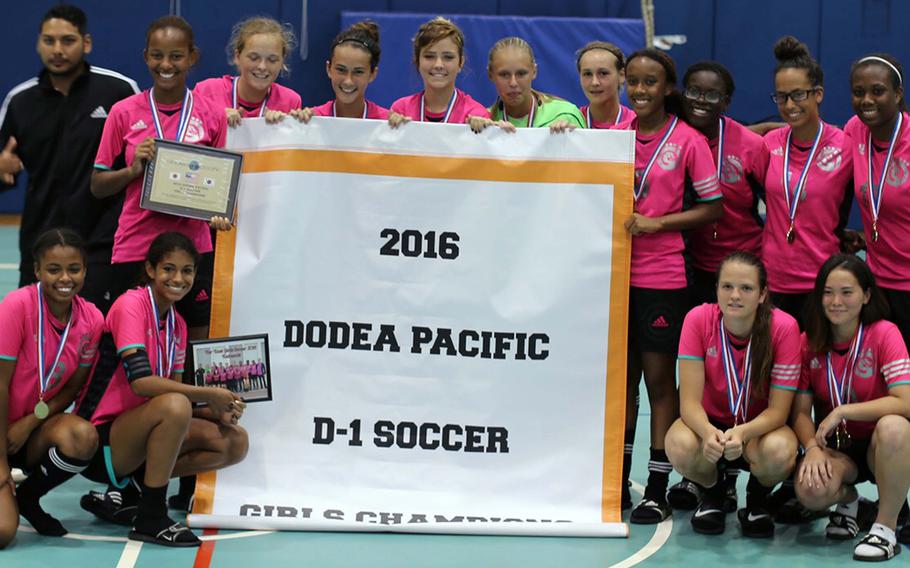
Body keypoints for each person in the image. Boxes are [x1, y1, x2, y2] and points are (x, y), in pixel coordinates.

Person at [75, 232, 248, 547]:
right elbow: (141, 383)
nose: (178, 278)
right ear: (151, 269)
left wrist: (216, 411)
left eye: (187, 271)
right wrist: (210, 393)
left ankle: (140, 487)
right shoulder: (131, 305)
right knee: (175, 405)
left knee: (234, 442)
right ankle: (151, 515)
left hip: (141, 434)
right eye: (169, 269)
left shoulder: (177, 325)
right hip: (101, 442)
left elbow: (176, 391)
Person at [621, 48, 723, 524]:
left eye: (650, 82)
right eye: (633, 81)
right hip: (613, 275)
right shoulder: (613, 132)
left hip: (663, 278)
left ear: (667, 88)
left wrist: (658, 225)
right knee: (620, 384)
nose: (640, 90)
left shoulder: (686, 140)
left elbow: (712, 207)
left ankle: (657, 488)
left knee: (660, 384)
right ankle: (616, 481)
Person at [0, 4, 138, 310]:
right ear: (38, 43)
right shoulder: (20, 101)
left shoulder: (118, 91)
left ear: (85, 43)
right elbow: (3, 171)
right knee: (37, 335)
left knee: (100, 336)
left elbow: (145, 162)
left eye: (67, 40)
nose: (57, 50)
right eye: (49, 41)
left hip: (104, 242)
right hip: (41, 240)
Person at [666, 252, 799, 537]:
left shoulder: (784, 328)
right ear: (716, 289)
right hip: (710, 422)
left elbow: (778, 411)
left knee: (780, 451)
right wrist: (706, 432)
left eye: (746, 288)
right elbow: (688, 403)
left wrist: (743, 433)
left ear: (762, 294)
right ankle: (713, 494)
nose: (735, 296)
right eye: (726, 286)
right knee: (678, 443)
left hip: (759, 428)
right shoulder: (698, 319)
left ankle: (757, 500)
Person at [794, 254, 910, 562]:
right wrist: (812, 448)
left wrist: (843, 411)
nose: (836, 301)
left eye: (847, 292)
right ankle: (853, 503)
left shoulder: (884, 333)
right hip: (838, 448)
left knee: (895, 426)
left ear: (866, 295)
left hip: (881, 447)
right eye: (828, 292)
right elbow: (800, 412)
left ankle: (885, 529)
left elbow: (905, 400)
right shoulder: (809, 342)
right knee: (809, 491)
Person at [0, 229, 104, 544]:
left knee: (82, 437)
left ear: (85, 270)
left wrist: (30, 422)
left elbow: (70, 391)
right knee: (3, 533)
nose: (65, 278)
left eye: (74, 269)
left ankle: (28, 498)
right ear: (37, 271)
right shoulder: (17, 305)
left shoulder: (92, 320)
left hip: (30, 431)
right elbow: (0, 384)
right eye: (54, 269)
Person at [845, 53, 910, 541]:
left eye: (878, 92)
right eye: (859, 91)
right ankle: (895, 503)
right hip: (881, 288)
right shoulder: (853, 131)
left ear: (898, 95)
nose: (867, 100)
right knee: (892, 402)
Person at [762, 37, 853, 327]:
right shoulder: (768, 144)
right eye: (781, 96)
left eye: (798, 95)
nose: (789, 105)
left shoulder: (847, 146)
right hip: (773, 281)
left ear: (819, 94)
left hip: (824, 282)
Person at [680, 62, 767, 306]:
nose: (701, 101)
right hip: (690, 264)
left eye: (712, 95)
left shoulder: (750, 145)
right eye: (693, 91)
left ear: (726, 102)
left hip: (744, 262)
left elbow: (776, 204)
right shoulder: (673, 138)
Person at [193, 16, 302, 126]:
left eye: (272, 60)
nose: (262, 66)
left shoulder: (290, 101)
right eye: (254, 58)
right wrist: (214, 118)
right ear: (237, 57)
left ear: (282, 62)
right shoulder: (206, 92)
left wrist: (279, 131)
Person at [390, 17, 492, 132]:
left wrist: (484, 131)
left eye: (448, 57)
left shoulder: (476, 114)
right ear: (417, 61)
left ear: (460, 63)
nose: (438, 65)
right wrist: (392, 129)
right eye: (429, 56)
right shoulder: (401, 110)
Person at [487, 36, 585, 132]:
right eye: (504, 75)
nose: (513, 83)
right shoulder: (486, 122)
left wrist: (572, 137)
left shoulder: (566, 115)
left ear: (534, 71)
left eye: (521, 74)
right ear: (491, 75)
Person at [307, 21, 391, 120]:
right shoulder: (313, 119)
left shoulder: (386, 123)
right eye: (341, 70)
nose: (348, 81)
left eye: (358, 72)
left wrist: (402, 129)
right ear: (328, 69)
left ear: (372, 74)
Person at [576, 41, 635, 129]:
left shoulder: (637, 124)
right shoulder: (572, 123)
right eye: (587, 74)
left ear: (622, 75)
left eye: (603, 73)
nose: (594, 82)